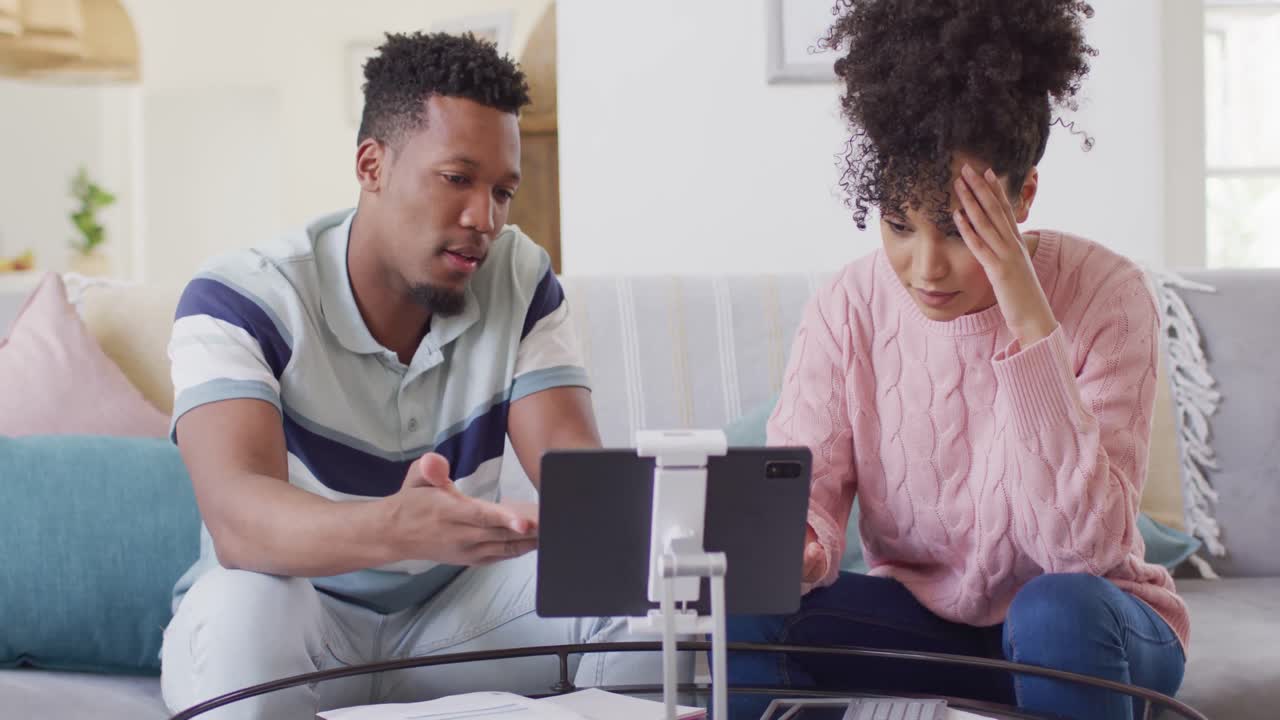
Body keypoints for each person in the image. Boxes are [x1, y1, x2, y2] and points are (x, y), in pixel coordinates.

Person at [160, 32, 668, 719]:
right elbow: (239, 522)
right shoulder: (240, 296)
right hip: (297, 621)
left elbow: (580, 481)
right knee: (247, 606)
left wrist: (681, 541)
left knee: (642, 593)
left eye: (502, 191)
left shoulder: (520, 277)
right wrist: (399, 527)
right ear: (372, 164)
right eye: (457, 178)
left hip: (458, 620)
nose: (483, 219)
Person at [726, 2, 1188, 719]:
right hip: (924, 631)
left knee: (1054, 609)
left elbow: (1083, 551)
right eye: (898, 225)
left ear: (1024, 193)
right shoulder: (849, 307)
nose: (924, 268)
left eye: (959, 230)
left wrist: (1029, 318)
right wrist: (798, 550)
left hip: (1095, 627)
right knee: (748, 608)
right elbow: (805, 496)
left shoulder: (1107, 294)